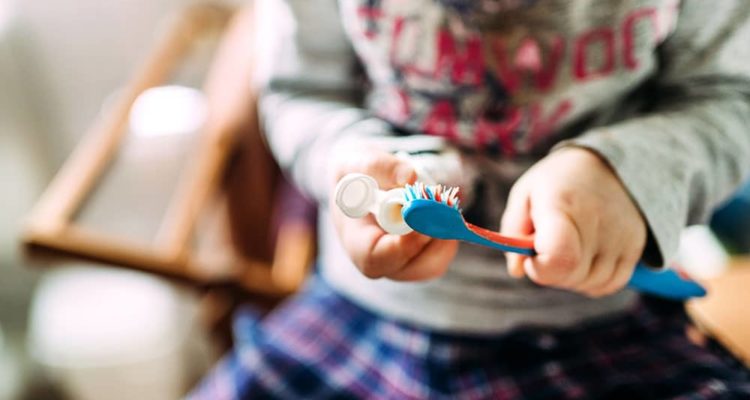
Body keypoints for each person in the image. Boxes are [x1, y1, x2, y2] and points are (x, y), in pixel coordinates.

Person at [189, 0, 750, 398]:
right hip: (363, 315)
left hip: (603, 323)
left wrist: (626, 171)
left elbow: (729, 99)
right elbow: (302, 93)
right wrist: (352, 159)